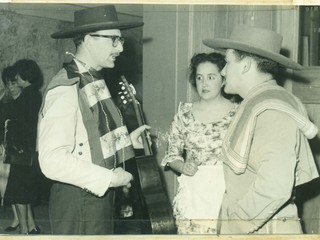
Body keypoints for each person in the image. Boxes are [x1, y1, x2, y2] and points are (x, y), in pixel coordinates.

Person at [37, 5, 148, 235]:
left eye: (121, 41)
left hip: (94, 195)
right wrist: (109, 178)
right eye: (113, 40)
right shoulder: (66, 88)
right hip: (79, 200)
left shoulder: (91, 79)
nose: (120, 48)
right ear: (88, 39)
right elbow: (51, 160)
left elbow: (90, 134)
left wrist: (126, 140)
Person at [202, 24, 319, 234]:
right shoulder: (256, 102)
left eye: (227, 62)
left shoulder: (272, 111)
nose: (223, 71)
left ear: (245, 65)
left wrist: (235, 227)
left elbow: (273, 188)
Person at [161, 52, 238, 234]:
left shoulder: (238, 113)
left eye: (211, 77)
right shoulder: (184, 113)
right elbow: (172, 155)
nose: (204, 83)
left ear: (223, 79)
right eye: (199, 77)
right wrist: (182, 166)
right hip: (194, 192)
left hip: (227, 192)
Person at [2, 59, 43, 235]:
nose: (16, 78)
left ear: (25, 75)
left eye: (17, 75)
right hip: (26, 150)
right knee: (23, 191)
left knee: (18, 192)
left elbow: (13, 117)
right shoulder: (32, 93)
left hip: (22, 151)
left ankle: (25, 230)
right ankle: (30, 226)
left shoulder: (29, 95)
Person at [0, 66, 20, 233]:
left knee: (12, 183)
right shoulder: (4, 98)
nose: (11, 86)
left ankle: (18, 218)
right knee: (4, 183)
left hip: (16, 148)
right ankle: (16, 216)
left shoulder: (23, 99)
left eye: (14, 82)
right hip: (3, 146)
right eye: (8, 83)